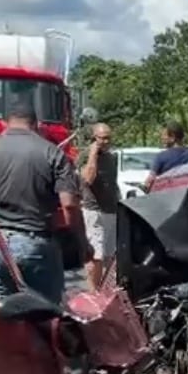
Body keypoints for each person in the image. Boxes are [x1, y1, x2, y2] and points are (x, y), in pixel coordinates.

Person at [0, 100, 89, 304]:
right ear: (35, 124)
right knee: (45, 315)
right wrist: (82, 242)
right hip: (37, 245)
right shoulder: (52, 153)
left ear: (4, 123)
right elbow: (70, 205)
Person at [79, 123, 119, 292]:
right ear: (94, 138)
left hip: (110, 211)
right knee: (96, 255)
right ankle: (93, 292)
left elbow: (113, 184)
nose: (106, 141)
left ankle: (106, 292)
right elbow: (88, 178)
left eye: (108, 137)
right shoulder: (85, 155)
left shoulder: (111, 157)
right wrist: (93, 154)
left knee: (110, 256)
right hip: (93, 211)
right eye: (102, 138)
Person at [143, 121, 188, 192]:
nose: (162, 138)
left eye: (164, 135)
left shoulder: (161, 157)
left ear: (172, 137)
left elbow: (149, 182)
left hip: (169, 198)